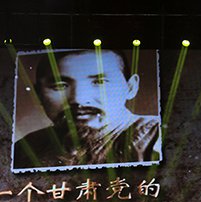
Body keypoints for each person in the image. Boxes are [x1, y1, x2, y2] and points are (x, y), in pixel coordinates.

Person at [13, 49, 162, 170]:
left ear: (130, 87)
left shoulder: (157, 138)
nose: (79, 99)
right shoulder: (26, 149)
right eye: (60, 86)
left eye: (100, 82)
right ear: (38, 94)